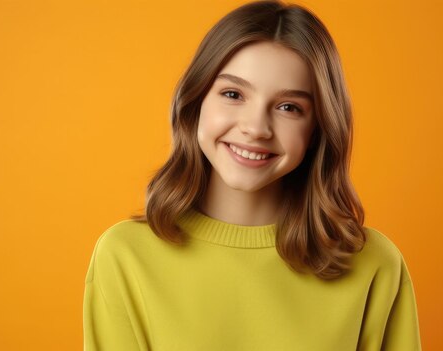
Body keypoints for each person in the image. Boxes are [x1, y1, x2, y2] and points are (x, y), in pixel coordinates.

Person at [83, 1, 422, 350]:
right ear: (196, 101)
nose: (256, 128)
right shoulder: (126, 257)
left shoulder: (374, 265)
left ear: (318, 128)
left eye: (289, 107)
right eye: (233, 94)